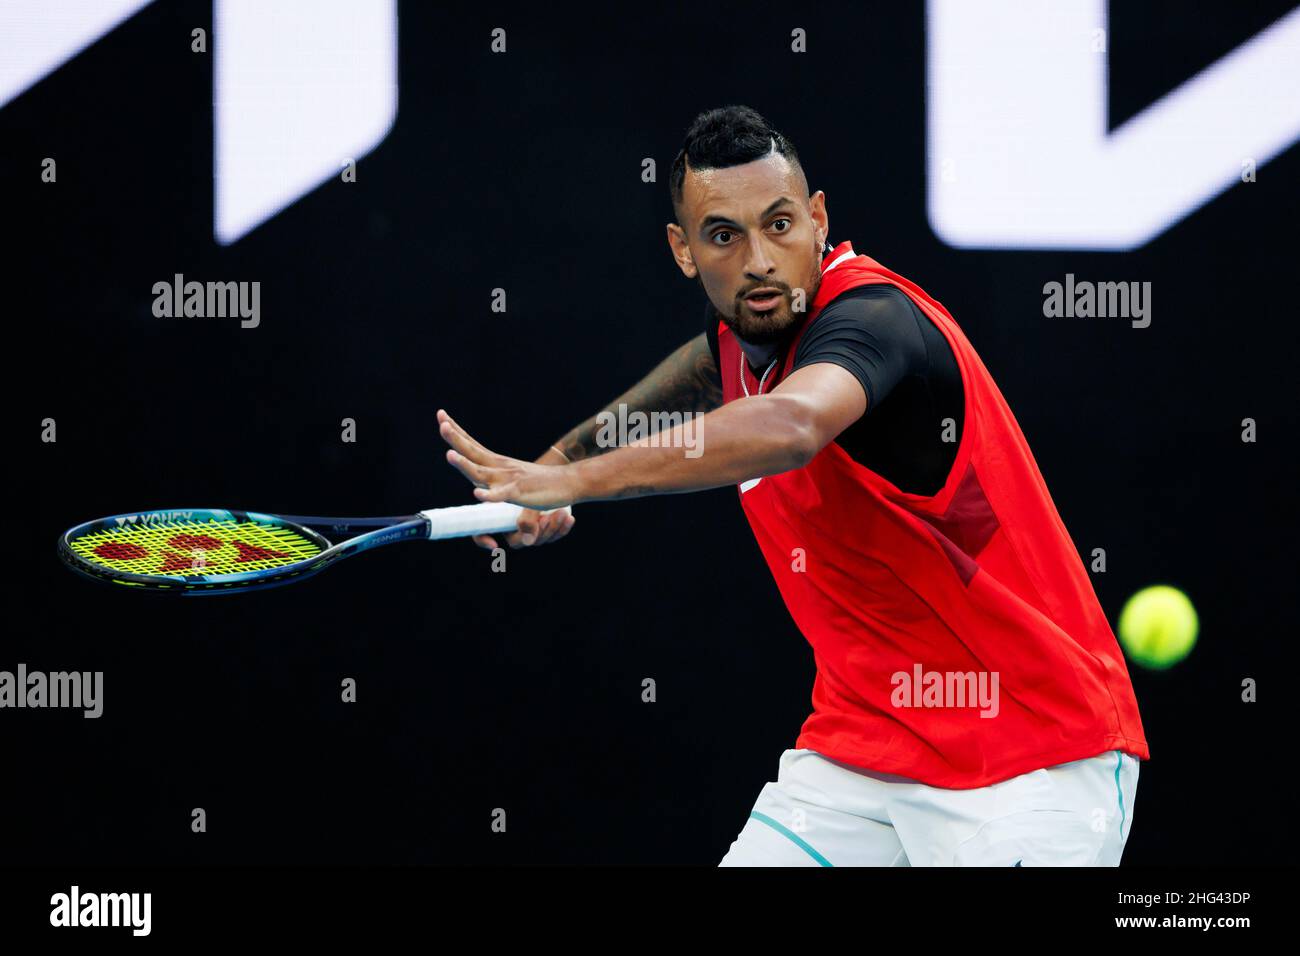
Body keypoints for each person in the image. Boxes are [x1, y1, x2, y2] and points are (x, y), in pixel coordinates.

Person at [437, 105, 1148, 866]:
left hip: (1031, 760)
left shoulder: (878, 323)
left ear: (817, 218)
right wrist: (552, 469)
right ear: (683, 251)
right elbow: (702, 371)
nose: (760, 261)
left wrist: (574, 479)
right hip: (862, 752)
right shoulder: (743, 335)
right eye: (724, 236)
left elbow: (789, 427)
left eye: (779, 225)